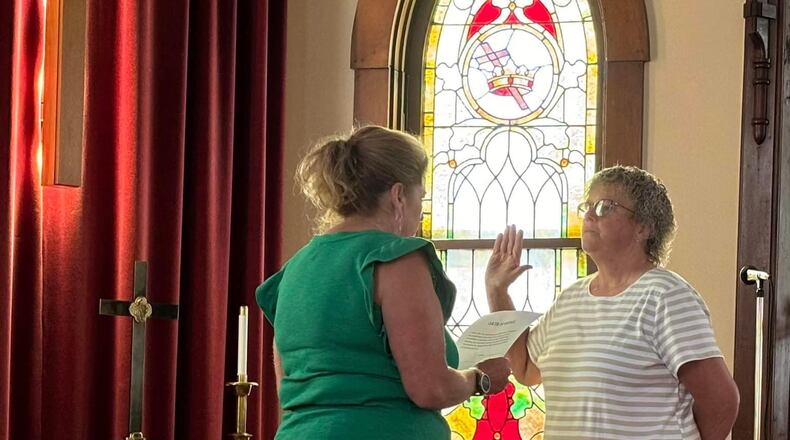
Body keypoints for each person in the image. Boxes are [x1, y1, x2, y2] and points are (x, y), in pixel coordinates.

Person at [256, 125, 511, 439]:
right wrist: (480, 378)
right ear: (399, 195)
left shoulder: (293, 270)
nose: (420, 211)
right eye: (422, 197)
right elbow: (429, 388)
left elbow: (291, 389)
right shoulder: (395, 259)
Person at [485, 165, 740, 439]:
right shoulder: (571, 298)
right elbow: (525, 369)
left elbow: (721, 401)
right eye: (588, 206)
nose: (590, 216)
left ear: (643, 227)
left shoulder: (665, 296)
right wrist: (498, 291)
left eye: (606, 207)